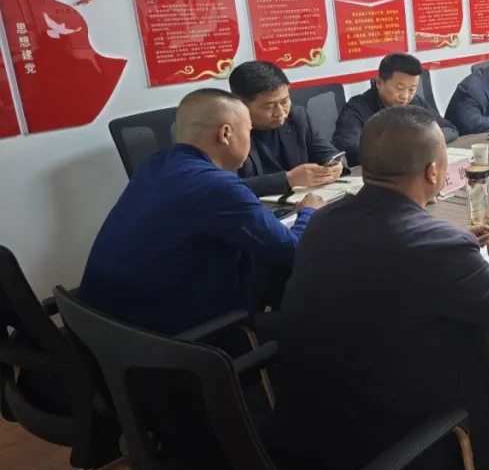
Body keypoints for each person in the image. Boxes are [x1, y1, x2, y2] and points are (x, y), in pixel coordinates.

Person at [267, 106, 489, 470]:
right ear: (433, 172)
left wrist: (459, 248)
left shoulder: (323, 221)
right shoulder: (435, 245)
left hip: (311, 426)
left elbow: (389, 265)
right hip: (397, 444)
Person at [79, 89, 325, 336]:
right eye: (248, 131)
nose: (250, 139)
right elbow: (297, 252)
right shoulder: (219, 187)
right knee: (321, 313)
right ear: (225, 134)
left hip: (100, 324)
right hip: (167, 337)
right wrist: (308, 212)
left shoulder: (153, 164)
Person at [229, 61, 344, 197]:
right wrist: (287, 179)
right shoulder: (226, 134)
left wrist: (336, 165)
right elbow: (226, 188)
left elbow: (326, 152)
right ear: (240, 104)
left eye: (284, 101)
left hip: (299, 200)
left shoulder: (297, 116)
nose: (280, 112)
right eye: (269, 106)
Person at [332, 53, 458, 166]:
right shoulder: (356, 109)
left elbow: (449, 129)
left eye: (412, 89)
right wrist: (399, 149)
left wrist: (424, 140)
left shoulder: (415, 102)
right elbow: (350, 149)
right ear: (379, 83)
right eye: (399, 88)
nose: (405, 96)